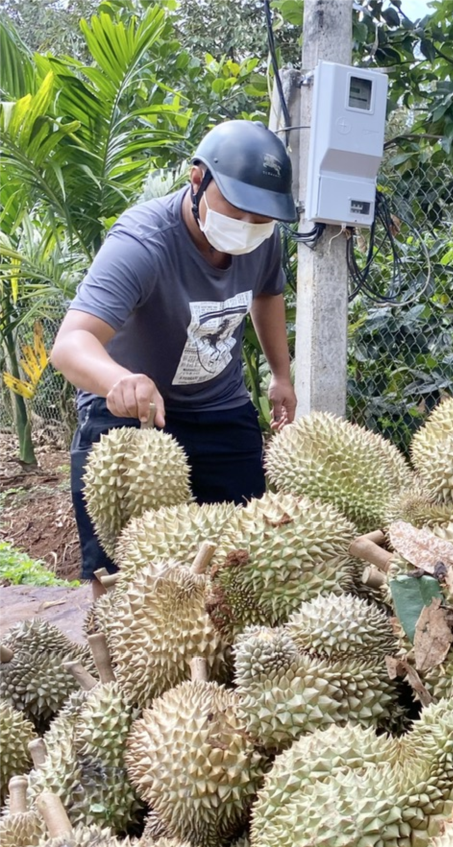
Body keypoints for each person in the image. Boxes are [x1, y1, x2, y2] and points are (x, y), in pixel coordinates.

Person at [49, 120, 299, 597]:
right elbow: (71, 342)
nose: (248, 226)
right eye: (238, 208)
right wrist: (118, 380)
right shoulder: (143, 243)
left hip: (218, 407)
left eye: (261, 217)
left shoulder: (264, 238)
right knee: (123, 578)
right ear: (197, 179)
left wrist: (280, 374)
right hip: (130, 417)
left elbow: (268, 295)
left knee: (242, 557)